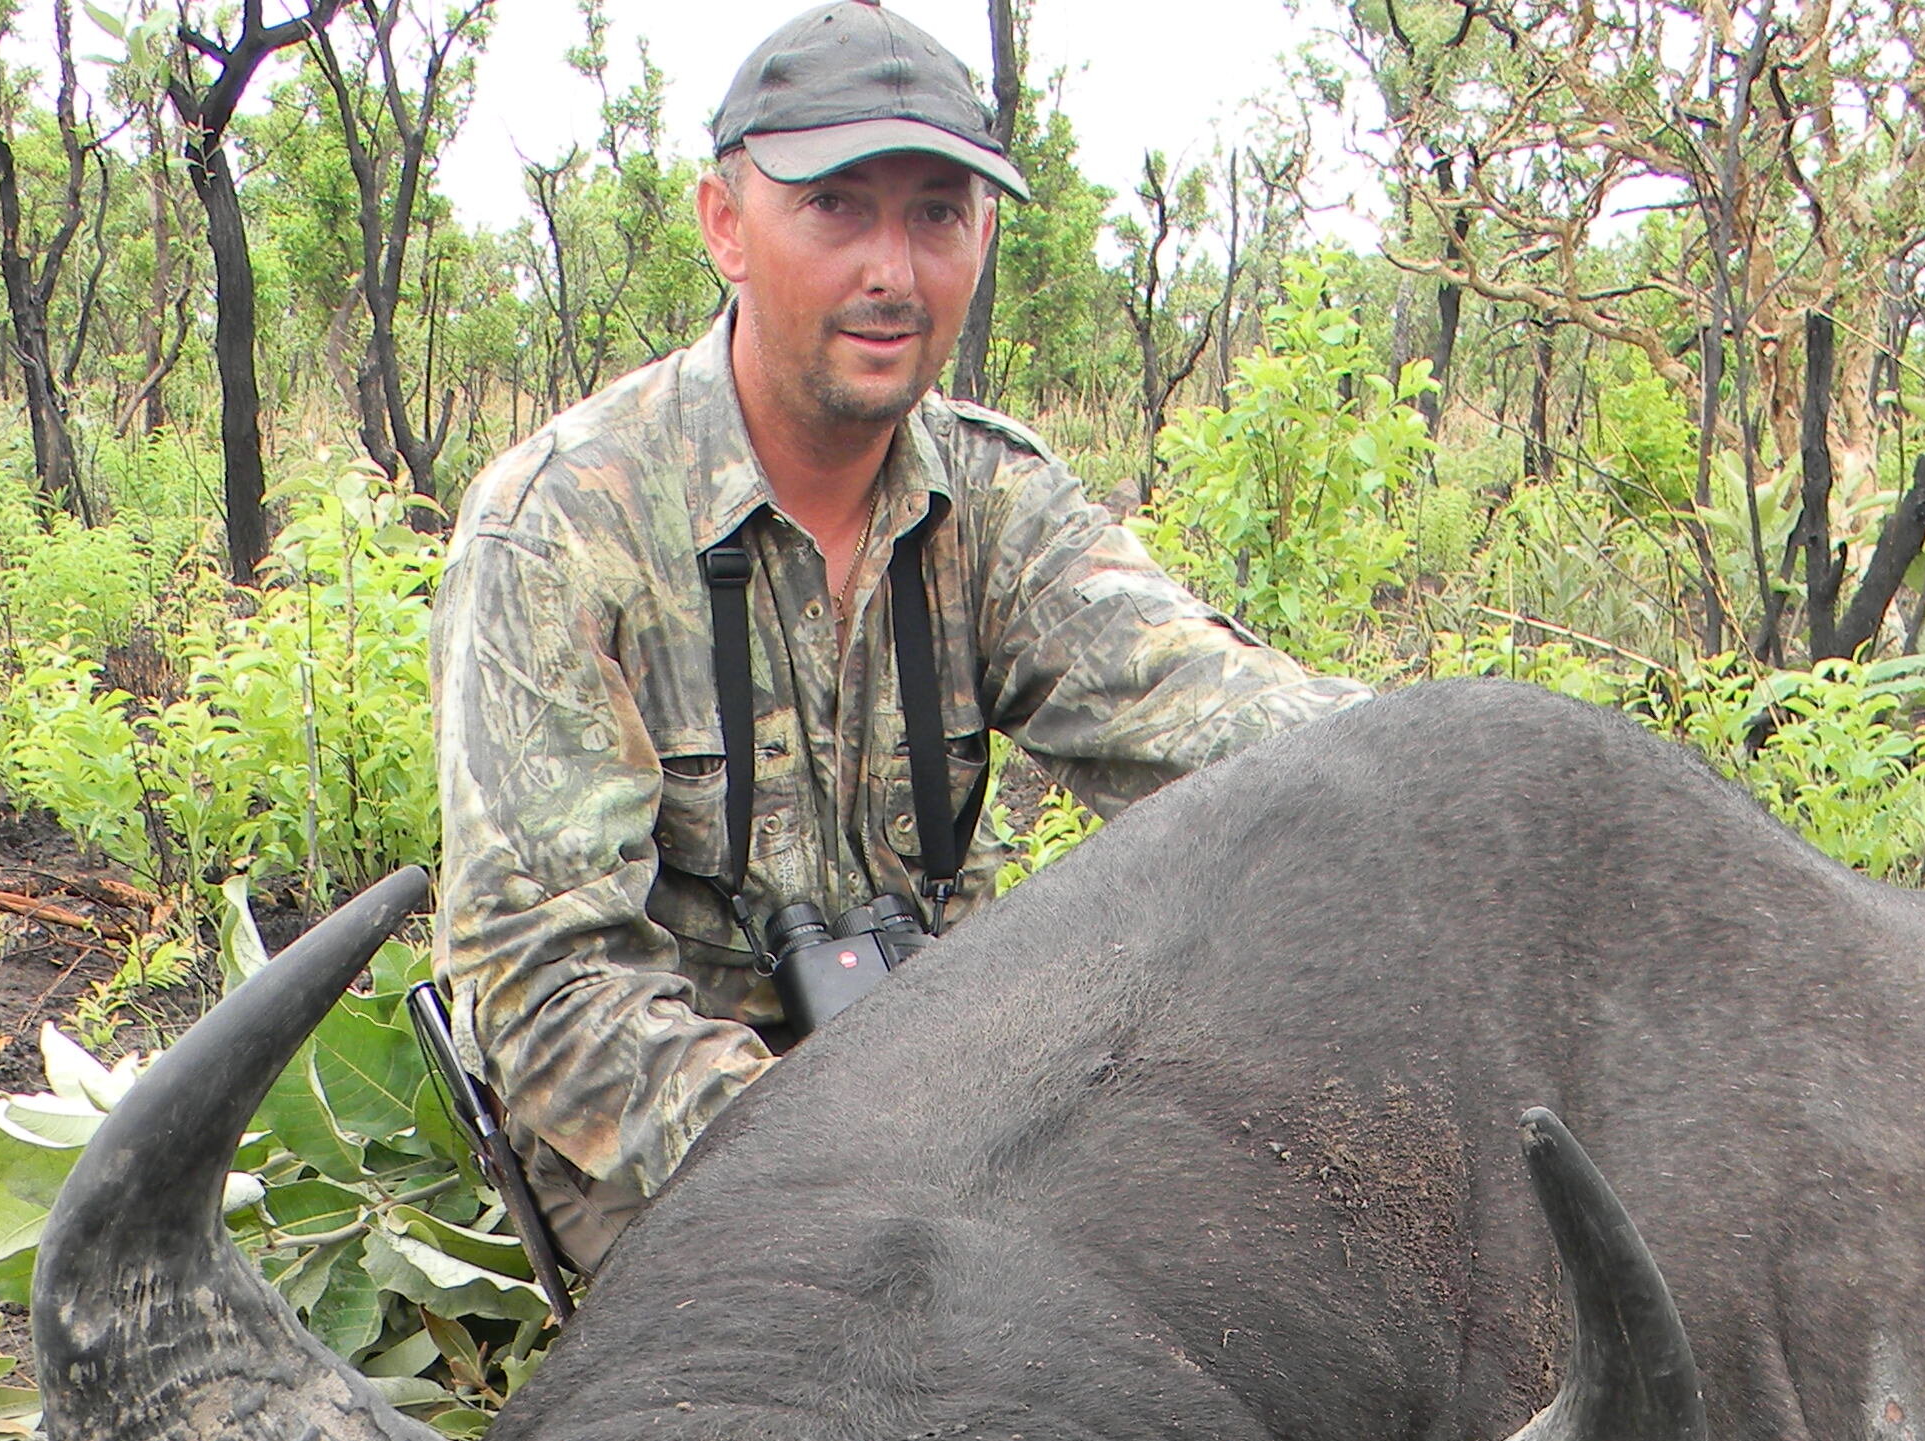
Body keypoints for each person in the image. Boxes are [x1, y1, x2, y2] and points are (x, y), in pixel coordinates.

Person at [431, 0, 1368, 1275]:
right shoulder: (559, 529)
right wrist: (841, 1160)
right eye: (836, 207)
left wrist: (1465, 772)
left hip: (960, 1097)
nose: (894, 271)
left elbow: (1224, 722)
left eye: (937, 212)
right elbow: (547, 991)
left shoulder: (993, 498)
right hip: (677, 1150)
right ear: (726, 226)